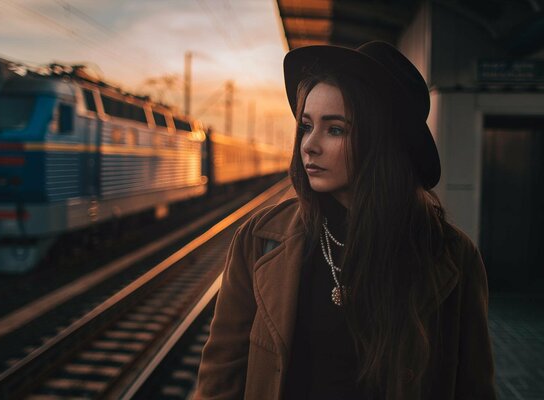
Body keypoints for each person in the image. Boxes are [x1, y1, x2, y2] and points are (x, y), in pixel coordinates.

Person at [194, 41, 496, 400]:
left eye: (335, 129)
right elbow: (220, 379)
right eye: (306, 126)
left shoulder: (452, 256)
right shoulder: (259, 240)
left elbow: (473, 388)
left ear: (383, 141)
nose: (309, 145)